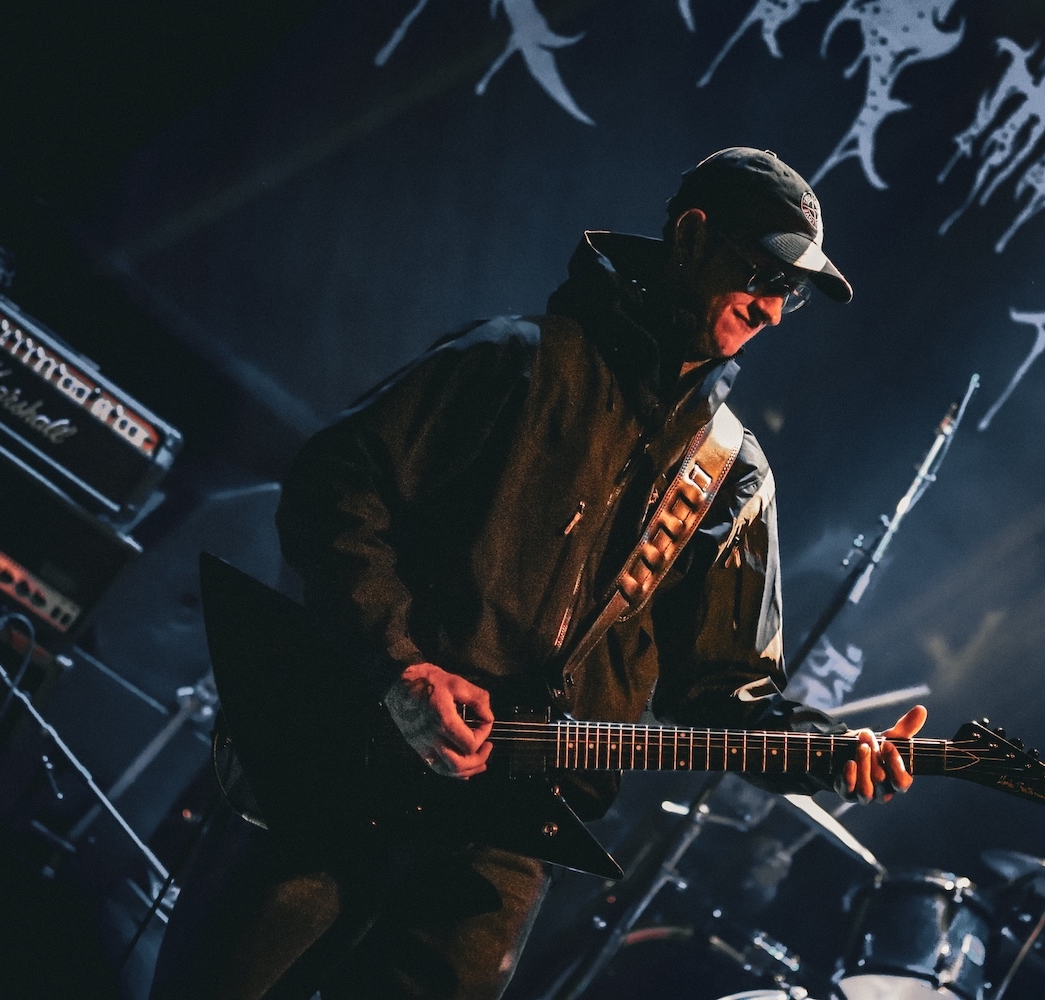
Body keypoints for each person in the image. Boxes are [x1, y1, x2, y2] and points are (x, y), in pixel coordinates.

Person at [148, 147, 926, 1000]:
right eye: (764, 274)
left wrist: (827, 752)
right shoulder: (512, 360)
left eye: (793, 293)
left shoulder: (734, 476)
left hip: (500, 844)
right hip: (342, 764)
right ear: (692, 236)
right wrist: (400, 664)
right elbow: (333, 489)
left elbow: (723, 688)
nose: (773, 309)